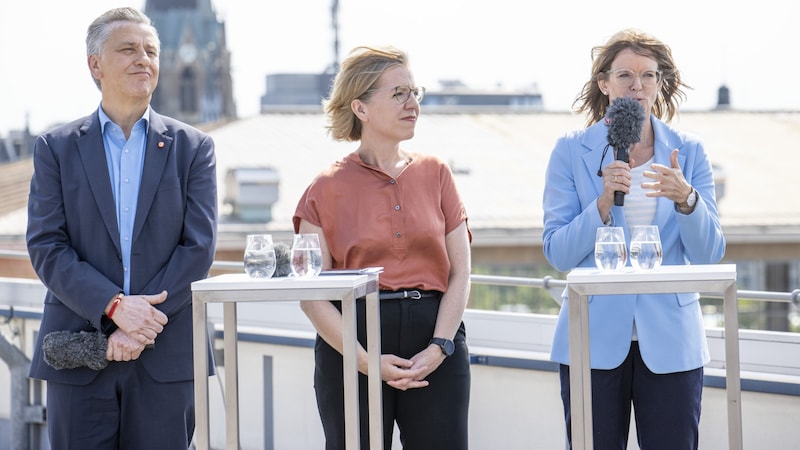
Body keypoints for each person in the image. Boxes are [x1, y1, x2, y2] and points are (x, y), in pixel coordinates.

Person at [26, 7, 217, 449]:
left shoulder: (194, 149)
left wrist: (141, 322)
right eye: (128, 49)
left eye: (150, 51)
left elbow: (198, 249)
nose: (142, 59)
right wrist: (114, 308)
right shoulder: (55, 149)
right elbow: (47, 246)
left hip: (166, 356)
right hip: (79, 353)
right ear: (95, 64)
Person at [542, 29, 726, 450]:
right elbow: (557, 252)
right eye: (625, 75)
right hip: (592, 338)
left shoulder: (689, 151)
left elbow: (710, 253)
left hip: (672, 341)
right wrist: (603, 203)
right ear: (604, 84)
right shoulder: (571, 151)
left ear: (660, 84)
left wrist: (687, 200)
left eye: (648, 76)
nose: (637, 86)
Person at [293, 45, 472, 450]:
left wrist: (440, 346)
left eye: (414, 92)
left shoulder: (437, 173)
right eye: (398, 94)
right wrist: (363, 361)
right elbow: (311, 294)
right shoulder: (323, 188)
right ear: (360, 107)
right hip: (351, 343)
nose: (413, 104)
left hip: (436, 340)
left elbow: (461, 271)